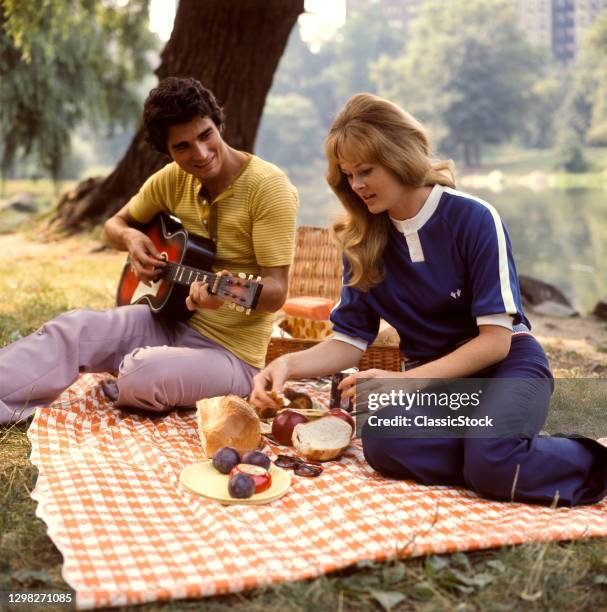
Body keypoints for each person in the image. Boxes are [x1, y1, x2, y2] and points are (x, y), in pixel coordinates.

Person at [250, 93, 607, 507]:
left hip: (508, 368)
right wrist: (286, 365)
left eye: (367, 170)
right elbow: (349, 341)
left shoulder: (474, 218)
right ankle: (497, 449)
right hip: (437, 387)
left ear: (400, 156)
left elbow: (496, 341)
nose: (357, 185)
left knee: (489, 462)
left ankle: (583, 460)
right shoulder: (360, 240)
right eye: (348, 174)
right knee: (382, 443)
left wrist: (402, 383)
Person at [0, 77, 298, 424]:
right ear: (168, 152)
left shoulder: (269, 188)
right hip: (167, 321)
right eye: (183, 147)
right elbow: (114, 224)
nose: (200, 154)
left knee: (139, 373)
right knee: (74, 328)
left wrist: (225, 292)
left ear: (219, 124)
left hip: (232, 356)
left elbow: (276, 293)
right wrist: (131, 239)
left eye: (205, 135)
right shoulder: (171, 179)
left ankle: (146, 368)